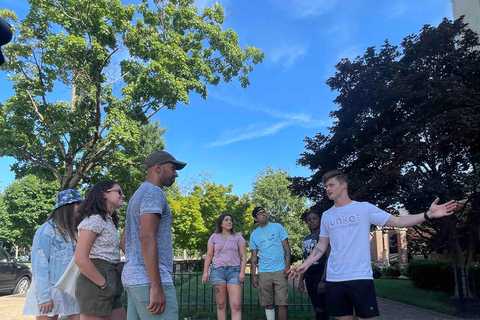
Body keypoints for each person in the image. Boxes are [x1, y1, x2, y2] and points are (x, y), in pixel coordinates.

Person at [289, 170, 458, 320]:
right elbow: (322, 245)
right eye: (326, 186)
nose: (327, 189)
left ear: (344, 185)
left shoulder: (364, 209)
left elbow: (398, 221)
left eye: (331, 185)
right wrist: (305, 265)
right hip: (335, 278)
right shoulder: (327, 215)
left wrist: (428, 214)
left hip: (359, 276)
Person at [122, 150, 186, 320]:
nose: (176, 174)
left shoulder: (136, 196)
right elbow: (147, 236)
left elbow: (124, 242)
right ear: (158, 168)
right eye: (172, 168)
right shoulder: (154, 192)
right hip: (148, 282)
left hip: (133, 279)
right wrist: (156, 286)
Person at [23, 189, 84, 320]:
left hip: (73, 289)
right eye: (78, 203)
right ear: (67, 207)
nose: (81, 207)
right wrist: (44, 297)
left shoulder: (80, 230)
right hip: (51, 289)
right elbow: (40, 265)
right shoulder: (46, 230)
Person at [74, 180, 126, 320]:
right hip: (96, 279)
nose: (123, 196)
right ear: (104, 194)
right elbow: (80, 258)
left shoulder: (108, 221)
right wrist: (103, 284)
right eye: (119, 191)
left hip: (112, 275)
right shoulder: (94, 219)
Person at [201, 213, 247, 320]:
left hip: (234, 271)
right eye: (226, 220)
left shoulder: (238, 237)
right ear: (221, 224)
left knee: (236, 305)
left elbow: (243, 256)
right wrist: (205, 272)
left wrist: (242, 272)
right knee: (221, 304)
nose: (229, 222)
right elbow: (209, 255)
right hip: (217, 272)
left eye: (230, 220)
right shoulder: (214, 237)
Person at [249, 206, 291, 320]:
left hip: (280, 270)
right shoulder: (254, 234)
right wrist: (253, 276)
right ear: (255, 218)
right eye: (260, 213)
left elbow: (287, 248)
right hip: (264, 272)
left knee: (282, 302)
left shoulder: (277, 227)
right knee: (268, 303)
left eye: (264, 212)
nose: (263, 214)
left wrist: (287, 267)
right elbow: (253, 257)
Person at [298, 210, 329, 320]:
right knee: (315, 304)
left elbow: (328, 258)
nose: (312, 221)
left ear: (320, 220)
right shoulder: (307, 238)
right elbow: (305, 259)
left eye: (314, 218)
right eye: (309, 220)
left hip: (320, 270)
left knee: (321, 306)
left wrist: (323, 279)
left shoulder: (323, 237)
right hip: (309, 272)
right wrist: (301, 279)